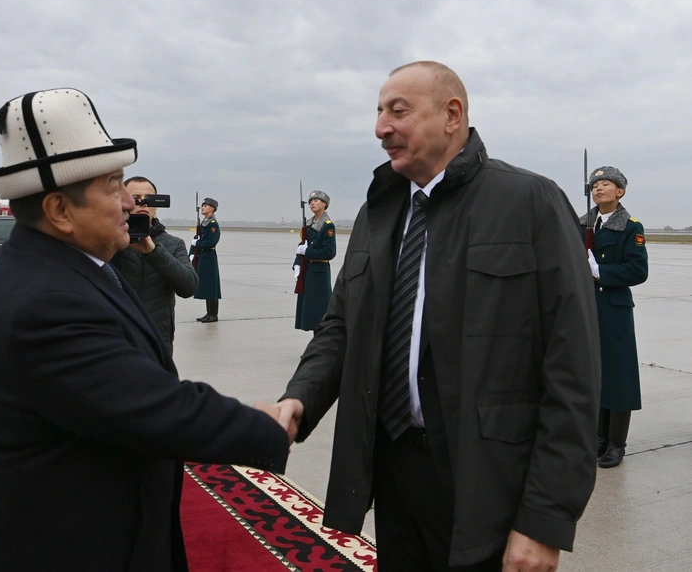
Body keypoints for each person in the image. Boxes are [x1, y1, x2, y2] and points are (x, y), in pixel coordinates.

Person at [274, 62, 601, 572]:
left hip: (488, 479)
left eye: (398, 111)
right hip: (395, 468)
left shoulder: (529, 202)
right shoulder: (379, 212)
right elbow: (341, 326)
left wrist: (545, 517)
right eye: (378, 112)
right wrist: (299, 397)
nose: (381, 127)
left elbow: (573, 366)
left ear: (452, 115)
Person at [0, 88, 291, 572]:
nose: (129, 204)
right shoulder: (45, 303)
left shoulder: (74, 265)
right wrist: (264, 427)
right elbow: (151, 405)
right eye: (114, 186)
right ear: (59, 210)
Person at [581, 166, 648, 469]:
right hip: (587, 307)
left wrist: (600, 272)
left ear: (619, 191)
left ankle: (615, 443)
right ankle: (598, 437)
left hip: (615, 308)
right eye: (595, 185)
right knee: (594, 373)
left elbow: (638, 270)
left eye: (605, 184)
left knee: (619, 375)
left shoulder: (630, 227)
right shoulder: (583, 224)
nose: (598, 188)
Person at [110, 176, 198, 354]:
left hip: (156, 342)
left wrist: (153, 251)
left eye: (149, 199)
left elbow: (189, 287)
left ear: (156, 205)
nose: (143, 203)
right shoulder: (109, 239)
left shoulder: (174, 244)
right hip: (115, 340)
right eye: (135, 198)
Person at [293, 190, 337, 331]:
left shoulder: (327, 226)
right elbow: (302, 246)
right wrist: (297, 264)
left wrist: (307, 252)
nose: (312, 203)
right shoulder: (309, 225)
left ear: (324, 204)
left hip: (319, 274)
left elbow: (329, 252)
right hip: (307, 272)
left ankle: (321, 341)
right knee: (310, 312)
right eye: (311, 201)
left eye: (316, 201)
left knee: (320, 312)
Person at [191, 197, 221, 323]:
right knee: (207, 286)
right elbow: (198, 238)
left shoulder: (213, 224)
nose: (202, 208)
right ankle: (209, 313)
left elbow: (211, 241)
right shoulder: (205, 223)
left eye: (205, 206)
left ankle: (213, 314)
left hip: (209, 258)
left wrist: (198, 243)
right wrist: (192, 252)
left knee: (212, 286)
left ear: (212, 209)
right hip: (203, 257)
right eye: (202, 205)